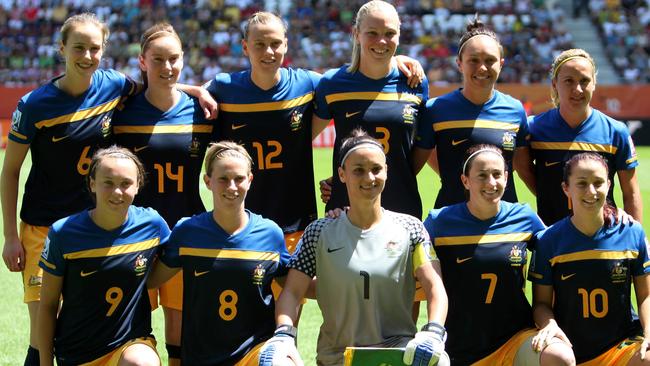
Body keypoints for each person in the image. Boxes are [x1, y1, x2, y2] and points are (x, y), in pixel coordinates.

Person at [0, 13, 215, 365]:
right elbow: (10, 172)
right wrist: (10, 235)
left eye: (94, 49)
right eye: (78, 48)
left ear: (104, 51)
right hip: (42, 226)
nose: (86, 56)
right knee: (43, 328)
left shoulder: (113, 85)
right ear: (62, 49)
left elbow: (156, 86)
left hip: (95, 229)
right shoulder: (35, 104)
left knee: (93, 325)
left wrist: (194, 90)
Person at [204, 11, 424, 252]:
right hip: (237, 220)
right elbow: (173, 93)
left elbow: (362, 77)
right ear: (245, 47)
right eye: (260, 44)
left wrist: (395, 59)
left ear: (286, 45)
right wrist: (194, 90)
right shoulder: (225, 88)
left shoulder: (309, 84)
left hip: (296, 221)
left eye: (275, 44)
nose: (268, 51)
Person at [260, 130, 448, 366]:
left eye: (376, 169)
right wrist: (284, 334)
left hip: (395, 356)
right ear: (342, 174)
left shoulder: (412, 229)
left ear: (387, 171)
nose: (369, 177)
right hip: (337, 357)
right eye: (358, 170)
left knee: (440, 361)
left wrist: (434, 331)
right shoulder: (319, 232)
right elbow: (292, 291)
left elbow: (434, 285)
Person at [112, 23, 214, 365]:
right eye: (158, 59)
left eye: (174, 59)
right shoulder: (122, 111)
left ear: (183, 59)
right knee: (130, 326)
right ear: (142, 61)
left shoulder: (203, 111)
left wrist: (197, 90)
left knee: (180, 324)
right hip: (132, 233)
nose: (167, 67)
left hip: (185, 229)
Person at [423, 144, 575, 365]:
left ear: (506, 177)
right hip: (456, 343)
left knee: (560, 357)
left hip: (514, 339)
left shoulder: (523, 216)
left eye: (497, 175)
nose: (491, 183)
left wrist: (609, 214)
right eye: (482, 176)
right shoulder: (439, 221)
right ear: (465, 180)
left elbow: (563, 244)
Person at [147, 141, 290, 365]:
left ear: (250, 180)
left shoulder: (270, 233)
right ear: (208, 181)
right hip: (202, 358)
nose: (232, 187)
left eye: (239, 179)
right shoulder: (187, 232)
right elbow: (151, 279)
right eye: (223, 179)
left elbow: (294, 285)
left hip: (254, 354)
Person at [37, 146, 170, 366]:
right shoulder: (64, 233)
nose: (117, 192)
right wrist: (45, 362)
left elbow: (174, 258)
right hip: (77, 352)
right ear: (92, 184)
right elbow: (49, 304)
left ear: (138, 186)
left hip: (129, 345)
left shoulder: (152, 225)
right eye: (108, 182)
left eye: (126, 183)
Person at [529, 152, 650, 364]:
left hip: (620, 346)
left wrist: (649, 330)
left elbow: (646, 296)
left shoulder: (632, 232)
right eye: (582, 183)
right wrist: (549, 324)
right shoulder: (549, 240)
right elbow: (540, 303)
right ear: (566, 188)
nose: (591, 191)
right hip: (569, 345)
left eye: (598, 183)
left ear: (609, 185)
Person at [313, 0, 429, 219]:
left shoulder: (415, 83)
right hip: (344, 211)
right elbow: (299, 140)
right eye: (372, 33)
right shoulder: (333, 84)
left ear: (399, 35)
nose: (381, 41)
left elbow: (420, 149)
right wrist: (339, 177)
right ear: (356, 34)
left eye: (389, 33)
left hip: (402, 209)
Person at [412, 17, 531, 209]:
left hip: (505, 225)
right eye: (473, 60)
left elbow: (525, 169)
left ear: (501, 64)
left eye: (490, 60)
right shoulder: (436, 109)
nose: (482, 68)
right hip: (451, 222)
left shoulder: (515, 110)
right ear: (459, 63)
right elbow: (414, 167)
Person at [522, 48, 642, 225]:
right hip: (552, 240)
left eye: (584, 81)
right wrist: (548, 195)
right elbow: (522, 166)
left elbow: (631, 193)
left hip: (603, 240)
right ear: (555, 84)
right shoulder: (534, 128)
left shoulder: (616, 131)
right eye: (569, 81)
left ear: (594, 83)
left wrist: (637, 240)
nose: (577, 89)